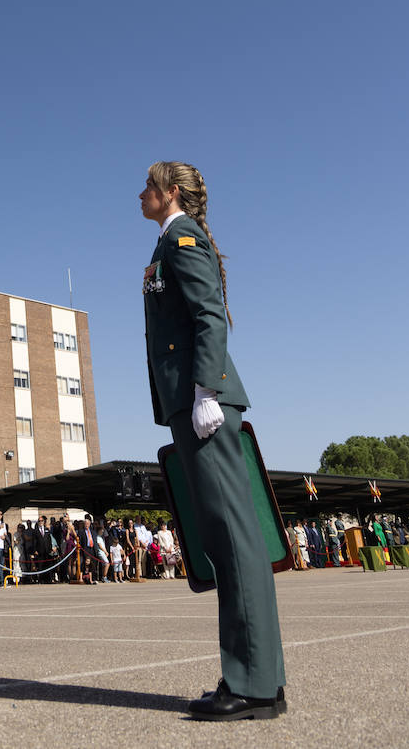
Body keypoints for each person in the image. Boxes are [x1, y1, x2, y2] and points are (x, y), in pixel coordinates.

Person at [140, 161, 286, 721]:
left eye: (148, 186)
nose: (141, 194)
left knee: (233, 536)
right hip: (190, 398)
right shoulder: (168, 242)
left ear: (169, 192)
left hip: (204, 399)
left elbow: (207, 316)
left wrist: (206, 389)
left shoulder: (180, 237)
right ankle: (257, 679)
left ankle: (251, 684)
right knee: (226, 539)